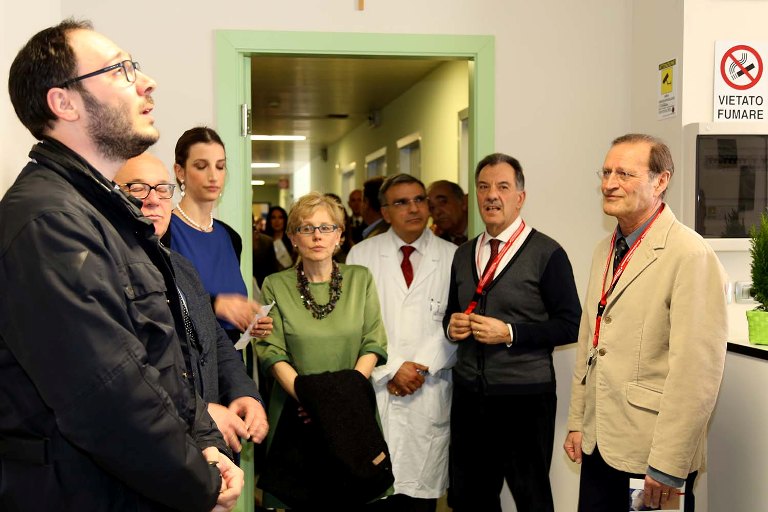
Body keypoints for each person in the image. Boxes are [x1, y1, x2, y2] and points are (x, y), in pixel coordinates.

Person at [0, 19, 242, 511]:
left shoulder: (105, 213)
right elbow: (109, 395)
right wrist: (201, 481)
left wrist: (205, 443)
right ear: (64, 102)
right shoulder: (49, 220)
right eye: (121, 70)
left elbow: (163, 360)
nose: (147, 82)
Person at [563, 134, 728, 512]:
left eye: (624, 174)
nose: (609, 183)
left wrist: (668, 464)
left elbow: (697, 374)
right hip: (600, 444)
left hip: (651, 457)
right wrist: (577, 421)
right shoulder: (604, 250)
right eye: (606, 172)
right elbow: (590, 340)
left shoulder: (690, 254)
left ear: (661, 181)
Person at [444, 153, 581, 512]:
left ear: (520, 197)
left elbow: (571, 324)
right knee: (470, 500)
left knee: (532, 499)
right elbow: (450, 313)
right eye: (484, 187)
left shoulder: (547, 253)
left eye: (503, 187)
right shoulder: (463, 254)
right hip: (469, 397)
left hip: (525, 399)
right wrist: (452, 327)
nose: (492, 195)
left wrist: (509, 333)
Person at [116, 153, 271, 453]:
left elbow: (215, 340)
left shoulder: (182, 267)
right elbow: (127, 372)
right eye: (137, 188)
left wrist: (244, 392)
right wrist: (201, 412)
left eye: (162, 189)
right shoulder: (105, 272)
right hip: (152, 446)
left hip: (205, 441)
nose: (153, 200)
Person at [255, 192, 389, 509]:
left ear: (339, 235)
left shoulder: (360, 279)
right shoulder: (274, 284)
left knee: (353, 498)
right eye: (306, 228)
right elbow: (272, 352)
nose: (317, 236)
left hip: (352, 411)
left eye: (327, 227)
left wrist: (335, 403)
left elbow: (373, 342)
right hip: (295, 412)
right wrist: (314, 401)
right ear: (293, 237)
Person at [347, 174, 457, 512]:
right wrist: (393, 368)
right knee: (375, 495)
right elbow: (355, 325)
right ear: (385, 212)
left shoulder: (454, 256)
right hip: (379, 387)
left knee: (420, 501)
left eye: (419, 200)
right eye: (402, 202)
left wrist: (419, 368)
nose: (414, 208)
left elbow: (457, 324)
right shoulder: (361, 256)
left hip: (429, 389)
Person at [164, 126, 261, 343]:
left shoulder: (230, 237)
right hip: (187, 358)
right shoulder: (164, 232)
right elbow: (161, 303)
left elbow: (231, 321)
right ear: (180, 172)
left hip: (232, 358)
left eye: (220, 166)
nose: (213, 176)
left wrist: (250, 322)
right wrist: (215, 305)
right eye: (201, 166)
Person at [427, 180, 468, 245]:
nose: (437, 212)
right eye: (431, 207)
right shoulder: (435, 242)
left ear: (463, 202)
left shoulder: (481, 233)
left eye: (442, 202)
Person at [265, 205, 296, 270]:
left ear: (285, 220)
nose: (277, 221)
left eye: (280, 217)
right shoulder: (265, 240)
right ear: (269, 220)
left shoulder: (292, 239)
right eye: (273, 217)